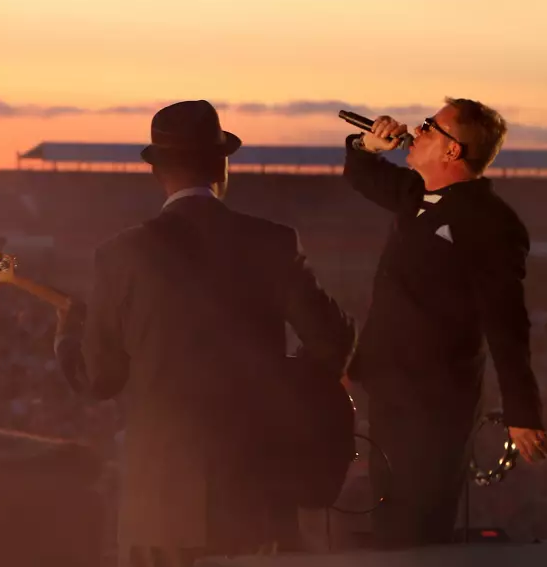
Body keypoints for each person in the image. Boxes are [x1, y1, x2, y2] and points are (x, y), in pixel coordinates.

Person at [55, 100, 358, 567]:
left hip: (160, 507)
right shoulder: (273, 242)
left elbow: (101, 379)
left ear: (158, 172)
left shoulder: (120, 256)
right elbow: (331, 342)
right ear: (222, 165)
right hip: (255, 492)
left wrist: (66, 340)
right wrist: (282, 381)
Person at [342, 97, 547, 549]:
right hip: (390, 384)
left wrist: (522, 412)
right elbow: (361, 174)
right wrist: (367, 143)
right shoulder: (414, 192)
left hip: (435, 398)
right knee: (387, 510)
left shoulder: (492, 223)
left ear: (452, 151)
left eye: (429, 128)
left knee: (419, 520)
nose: (415, 133)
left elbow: (506, 320)